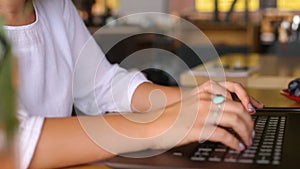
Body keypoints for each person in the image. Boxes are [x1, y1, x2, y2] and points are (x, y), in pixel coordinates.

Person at [0, 0, 264, 168]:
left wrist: (192, 102)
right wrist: (156, 125)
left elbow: (102, 85)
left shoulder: (57, 7)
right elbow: (10, 144)